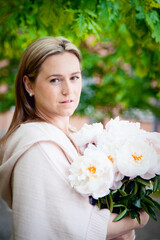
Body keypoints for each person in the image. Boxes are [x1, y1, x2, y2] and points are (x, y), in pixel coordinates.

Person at [0, 36, 149, 240]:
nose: (68, 90)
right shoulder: (37, 144)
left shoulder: (74, 136)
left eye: (75, 77)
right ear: (29, 85)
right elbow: (71, 226)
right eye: (55, 80)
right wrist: (138, 218)